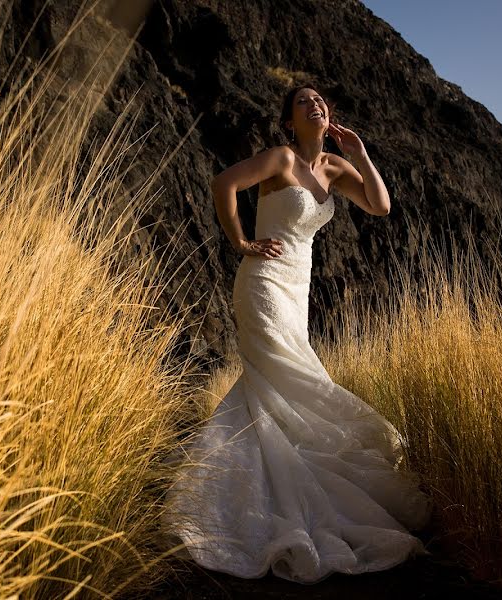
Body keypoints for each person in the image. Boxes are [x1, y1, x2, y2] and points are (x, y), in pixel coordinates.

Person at [162, 85, 433, 584]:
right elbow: (223, 183)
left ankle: (243, 488)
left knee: (270, 390)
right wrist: (241, 242)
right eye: (304, 102)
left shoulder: (333, 168)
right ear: (290, 120)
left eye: (321, 101)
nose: (316, 106)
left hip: (298, 293)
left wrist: (361, 154)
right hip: (264, 282)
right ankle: (259, 502)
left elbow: (380, 206)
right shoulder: (281, 157)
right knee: (293, 377)